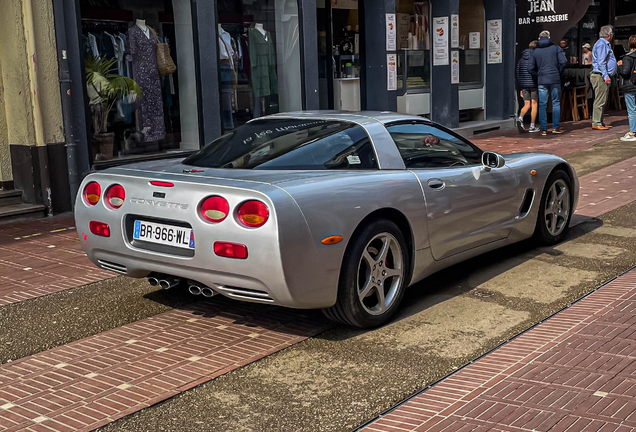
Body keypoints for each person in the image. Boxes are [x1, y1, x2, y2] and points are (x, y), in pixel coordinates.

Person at [529, 30, 567, 136]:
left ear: (539, 39)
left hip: (542, 80)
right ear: (549, 37)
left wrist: (539, 74)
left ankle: (544, 129)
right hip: (554, 79)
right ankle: (555, 127)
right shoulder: (556, 48)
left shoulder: (535, 51)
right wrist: (558, 72)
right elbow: (563, 62)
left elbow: (530, 68)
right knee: (556, 103)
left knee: (542, 104)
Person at [591, 25, 617, 130]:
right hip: (600, 75)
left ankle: (600, 122)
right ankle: (596, 122)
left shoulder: (603, 44)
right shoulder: (602, 44)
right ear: (609, 34)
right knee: (600, 100)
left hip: (601, 75)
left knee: (602, 99)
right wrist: (606, 76)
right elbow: (601, 62)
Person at [515, 40, 540, 133]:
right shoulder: (535, 58)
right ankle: (532, 125)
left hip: (524, 85)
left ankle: (520, 118)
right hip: (533, 84)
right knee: (534, 104)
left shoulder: (521, 59)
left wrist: (520, 87)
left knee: (526, 104)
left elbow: (518, 73)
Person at [618, 35, 636, 141]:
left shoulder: (627, 57)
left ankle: (633, 132)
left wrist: (619, 66)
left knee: (632, 109)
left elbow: (625, 72)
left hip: (630, 86)